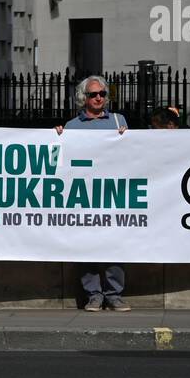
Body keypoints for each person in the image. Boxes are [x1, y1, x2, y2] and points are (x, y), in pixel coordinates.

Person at [55, 76, 130, 311]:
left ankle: (114, 294)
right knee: (85, 246)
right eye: (93, 95)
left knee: (114, 245)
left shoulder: (119, 121)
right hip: (83, 196)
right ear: (83, 98)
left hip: (111, 194)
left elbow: (134, 154)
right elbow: (61, 161)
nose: (98, 98)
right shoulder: (72, 126)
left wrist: (128, 137)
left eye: (102, 94)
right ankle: (93, 295)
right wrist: (55, 137)